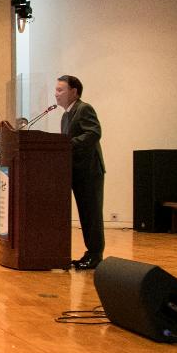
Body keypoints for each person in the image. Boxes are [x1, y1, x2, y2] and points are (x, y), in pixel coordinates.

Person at [56, 74, 105, 269]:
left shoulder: (84, 108)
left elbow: (94, 133)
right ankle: (90, 253)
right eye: (56, 90)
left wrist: (67, 144)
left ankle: (95, 255)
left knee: (91, 214)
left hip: (89, 170)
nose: (56, 94)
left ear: (74, 92)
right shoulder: (66, 115)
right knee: (85, 215)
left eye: (60, 90)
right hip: (74, 171)